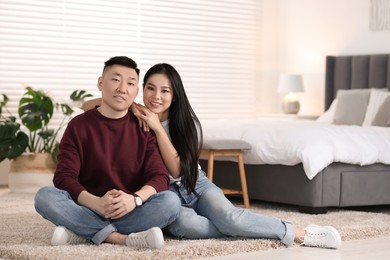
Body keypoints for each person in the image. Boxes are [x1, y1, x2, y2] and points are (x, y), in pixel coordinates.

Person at [84, 63, 342, 249]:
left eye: (165, 91)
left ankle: (299, 233)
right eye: (150, 88)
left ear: (175, 95)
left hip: (195, 185)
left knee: (228, 217)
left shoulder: (186, 123)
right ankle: (244, 227)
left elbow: (178, 172)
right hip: (167, 195)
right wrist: (122, 100)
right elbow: (88, 106)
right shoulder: (133, 113)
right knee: (184, 227)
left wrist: (156, 128)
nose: (156, 96)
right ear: (142, 90)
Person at [34, 56, 181, 250]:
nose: (122, 88)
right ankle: (119, 238)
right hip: (87, 206)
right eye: (115, 79)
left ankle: (81, 232)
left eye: (130, 83)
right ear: (101, 83)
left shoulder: (144, 126)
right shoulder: (78, 126)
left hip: (129, 209)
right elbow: (63, 177)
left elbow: (160, 177)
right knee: (44, 197)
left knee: (170, 202)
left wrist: (134, 200)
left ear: (136, 91)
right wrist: (96, 203)